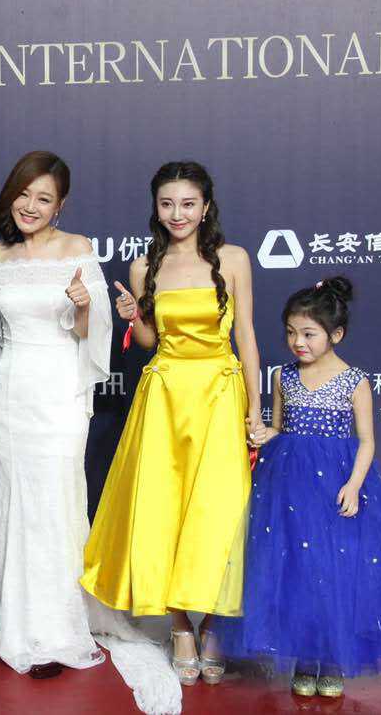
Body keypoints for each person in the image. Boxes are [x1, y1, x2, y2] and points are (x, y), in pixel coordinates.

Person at [0, 153, 181, 715]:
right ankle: (21, 629)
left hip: (61, 392)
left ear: (60, 205)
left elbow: (94, 334)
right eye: (24, 194)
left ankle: (61, 627)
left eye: (44, 198)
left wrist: (81, 309)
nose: (31, 206)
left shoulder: (77, 249)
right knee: (16, 507)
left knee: (59, 506)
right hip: (11, 390)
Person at [80, 161, 261, 687]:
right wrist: (132, 315)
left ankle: (216, 625)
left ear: (206, 207)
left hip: (219, 394)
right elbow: (147, 342)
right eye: (167, 204)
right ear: (156, 208)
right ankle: (181, 626)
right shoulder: (144, 266)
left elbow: (246, 335)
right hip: (163, 397)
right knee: (165, 511)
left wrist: (255, 408)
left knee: (219, 513)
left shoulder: (234, 259)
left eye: (187, 203)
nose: (177, 214)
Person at [218, 277, 381, 698]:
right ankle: (304, 659)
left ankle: (333, 661)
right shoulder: (283, 376)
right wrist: (263, 434)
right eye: (290, 333)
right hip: (287, 486)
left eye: (308, 334)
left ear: (336, 335)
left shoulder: (354, 380)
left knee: (335, 572)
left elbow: (367, 440)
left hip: (337, 486)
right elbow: (280, 428)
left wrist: (354, 485)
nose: (297, 342)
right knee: (297, 572)